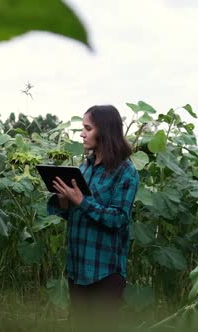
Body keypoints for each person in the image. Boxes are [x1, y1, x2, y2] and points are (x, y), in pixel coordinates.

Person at [47, 105, 139, 326]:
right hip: (77, 267)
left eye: (87, 128)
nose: (82, 133)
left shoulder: (125, 172)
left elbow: (118, 218)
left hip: (105, 271)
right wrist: (64, 200)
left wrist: (81, 201)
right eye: (82, 128)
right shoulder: (85, 168)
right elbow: (77, 215)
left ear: (105, 131)